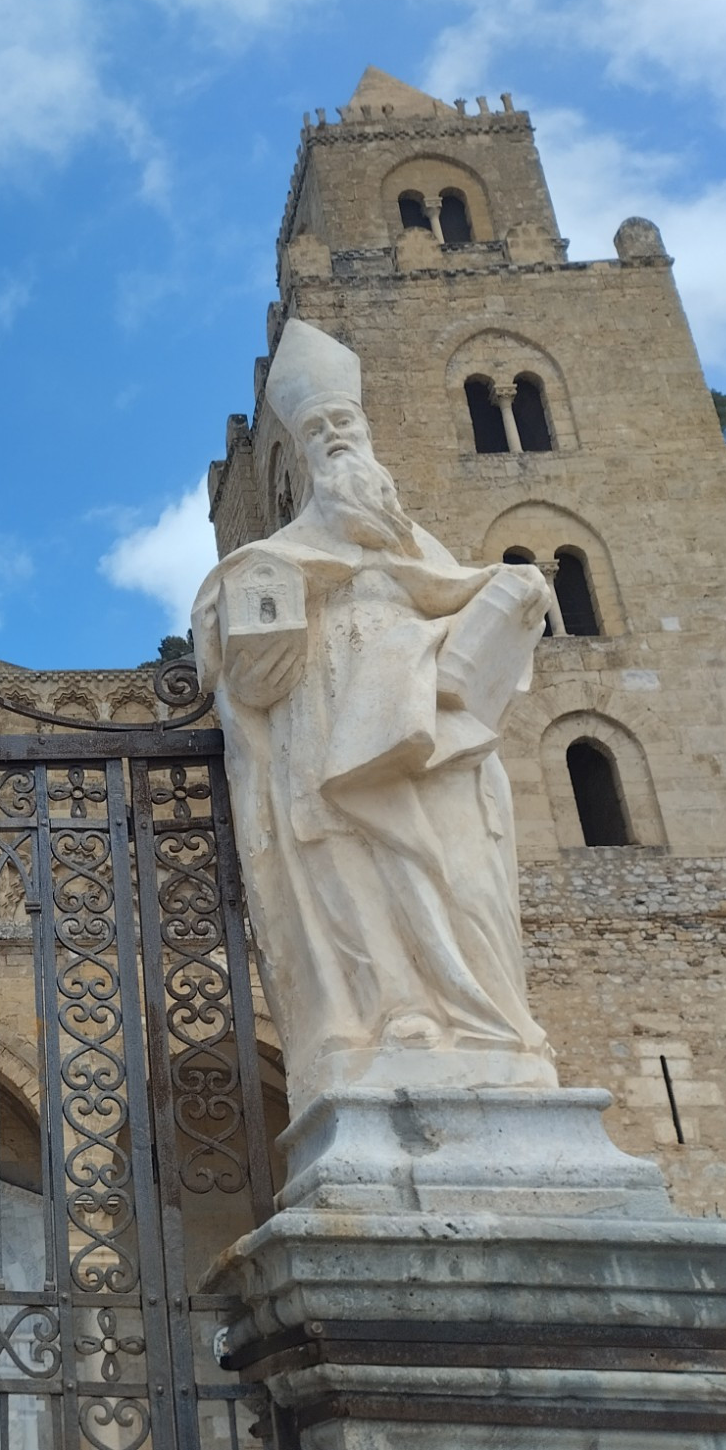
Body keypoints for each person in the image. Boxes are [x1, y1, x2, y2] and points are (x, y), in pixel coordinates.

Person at [192, 321, 556, 1107]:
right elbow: (240, 656)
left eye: (343, 425)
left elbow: (459, 595)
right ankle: (395, 1011)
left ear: (368, 436)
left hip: (430, 740)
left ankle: (492, 1024)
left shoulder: (423, 552)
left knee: (463, 879)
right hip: (326, 741)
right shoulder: (274, 557)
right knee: (351, 877)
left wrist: (515, 590)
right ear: (300, 462)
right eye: (317, 430)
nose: (334, 440)